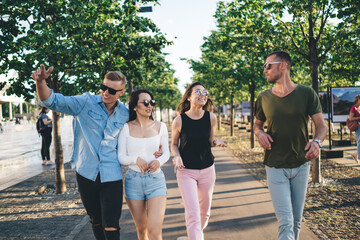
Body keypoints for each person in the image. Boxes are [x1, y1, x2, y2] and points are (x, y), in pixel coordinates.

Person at [32, 64, 150, 240]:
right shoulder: (84, 102)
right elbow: (51, 100)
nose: (106, 92)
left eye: (111, 90)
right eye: (103, 87)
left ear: (121, 92)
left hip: (112, 176)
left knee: (111, 224)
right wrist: (41, 82)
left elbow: (140, 134)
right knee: (96, 221)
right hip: (87, 173)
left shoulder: (125, 115)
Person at [254, 51, 327, 240]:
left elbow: (321, 126)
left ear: (283, 65)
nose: (265, 70)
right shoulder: (263, 97)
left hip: (301, 165)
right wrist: (260, 133)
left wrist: (317, 142)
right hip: (275, 165)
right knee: (285, 220)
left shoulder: (306, 93)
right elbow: (256, 124)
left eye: (268, 65)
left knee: (296, 221)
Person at [171, 82, 227, 240]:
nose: (203, 94)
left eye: (205, 91)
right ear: (189, 97)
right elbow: (174, 145)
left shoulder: (211, 118)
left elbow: (210, 141)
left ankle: (193, 236)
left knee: (204, 213)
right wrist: (177, 156)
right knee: (193, 214)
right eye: (198, 91)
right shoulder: (179, 120)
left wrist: (216, 142)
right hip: (186, 171)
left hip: (207, 169)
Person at [118, 89, 170, 240]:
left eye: (152, 102)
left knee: (154, 231)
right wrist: (135, 159)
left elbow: (166, 153)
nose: (150, 106)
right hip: (133, 181)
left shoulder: (160, 126)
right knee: (142, 230)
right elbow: (121, 157)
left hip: (156, 181)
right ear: (135, 106)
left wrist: (158, 161)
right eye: (145, 102)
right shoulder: (126, 128)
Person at [349, 94, 360, 163]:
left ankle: (355, 154)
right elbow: (350, 118)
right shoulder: (354, 107)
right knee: (359, 142)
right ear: (357, 100)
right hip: (358, 127)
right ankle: (358, 157)